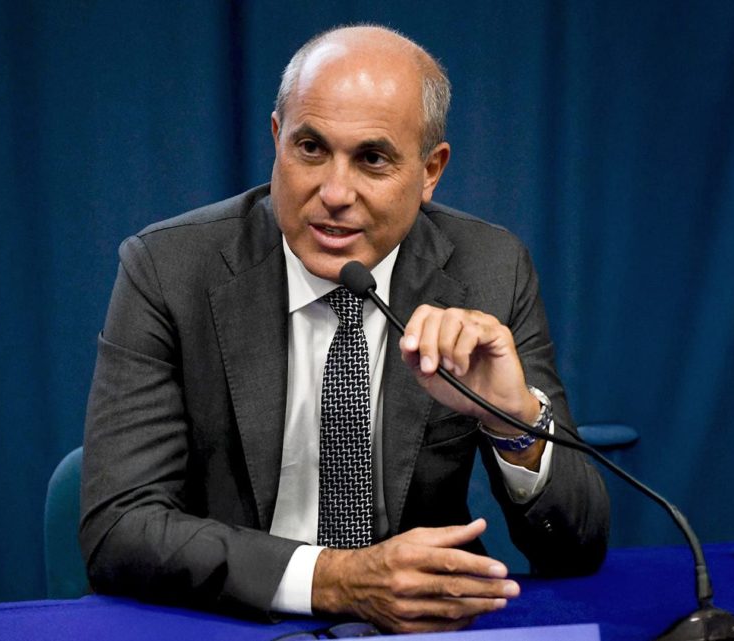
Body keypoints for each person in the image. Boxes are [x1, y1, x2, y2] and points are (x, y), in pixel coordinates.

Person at [80, 25, 609, 634]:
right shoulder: (169, 270)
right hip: (237, 620)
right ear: (277, 139)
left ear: (430, 170)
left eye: (372, 159)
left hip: (420, 628)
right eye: (310, 148)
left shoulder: (488, 270)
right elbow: (118, 527)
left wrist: (512, 422)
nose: (334, 193)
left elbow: (576, 549)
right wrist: (336, 580)